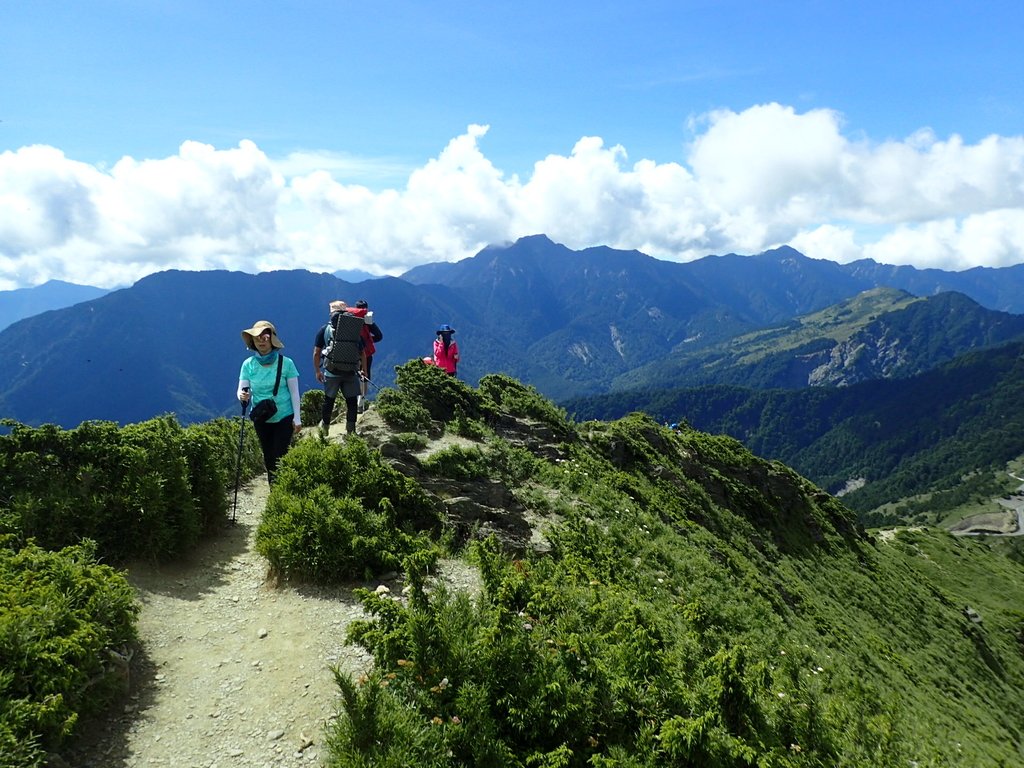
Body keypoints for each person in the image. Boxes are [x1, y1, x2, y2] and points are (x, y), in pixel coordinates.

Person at [237, 320, 301, 485]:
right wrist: (242, 396)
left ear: (272, 339)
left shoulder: (286, 363)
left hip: (284, 416)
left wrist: (297, 418)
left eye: (265, 336)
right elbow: (242, 389)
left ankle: (283, 488)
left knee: (280, 454)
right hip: (262, 418)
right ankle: (276, 492)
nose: (261, 340)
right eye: (257, 337)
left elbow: (294, 392)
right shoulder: (248, 365)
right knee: (268, 455)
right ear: (253, 341)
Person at [313, 301, 367, 434]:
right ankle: (351, 431)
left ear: (331, 313)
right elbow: (362, 353)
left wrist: (318, 371)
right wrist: (363, 369)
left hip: (332, 372)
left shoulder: (324, 329)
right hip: (350, 371)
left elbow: (317, 353)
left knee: (329, 401)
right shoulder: (353, 330)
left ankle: (324, 430)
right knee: (352, 402)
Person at [349, 299, 383, 411]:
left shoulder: (349, 319)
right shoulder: (368, 321)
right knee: (365, 376)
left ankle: (351, 402)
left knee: (352, 376)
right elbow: (379, 336)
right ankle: (361, 403)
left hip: (351, 352)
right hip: (366, 353)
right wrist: (368, 341)